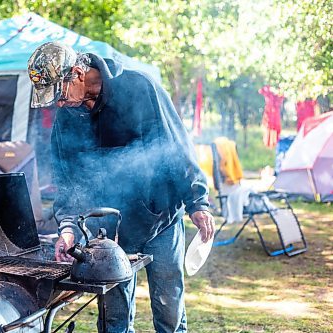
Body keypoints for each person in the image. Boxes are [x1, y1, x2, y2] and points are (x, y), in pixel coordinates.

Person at [27, 42, 215, 333]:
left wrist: (197, 201)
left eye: (60, 94)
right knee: (114, 320)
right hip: (108, 234)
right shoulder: (68, 116)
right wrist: (67, 228)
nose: (58, 104)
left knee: (168, 310)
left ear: (77, 73)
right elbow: (68, 178)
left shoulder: (139, 88)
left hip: (159, 220)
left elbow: (176, 146)